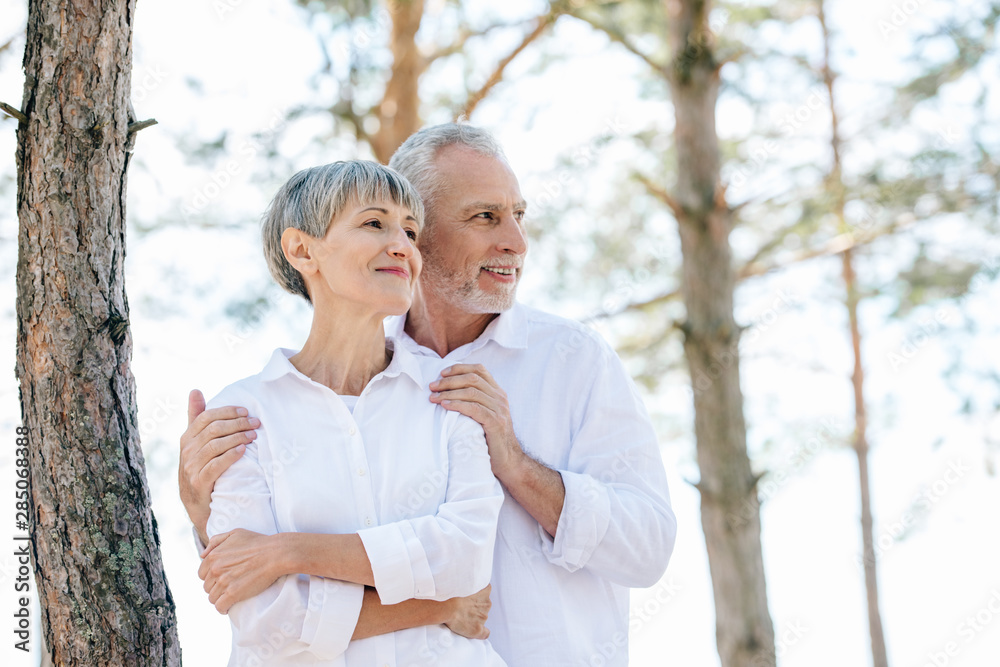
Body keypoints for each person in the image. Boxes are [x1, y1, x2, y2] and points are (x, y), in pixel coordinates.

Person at [182, 124, 677, 666]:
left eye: (519, 215)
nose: (516, 241)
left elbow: (647, 547)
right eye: (485, 216)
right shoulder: (315, 395)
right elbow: (257, 602)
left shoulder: (574, 359)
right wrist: (204, 513)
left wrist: (515, 466)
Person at [199, 159, 506, 666]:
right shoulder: (242, 412)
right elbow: (265, 620)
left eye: (410, 231)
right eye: (374, 223)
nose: (403, 246)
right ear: (302, 250)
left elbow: (465, 559)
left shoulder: (452, 391)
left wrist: (288, 551)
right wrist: (439, 607)